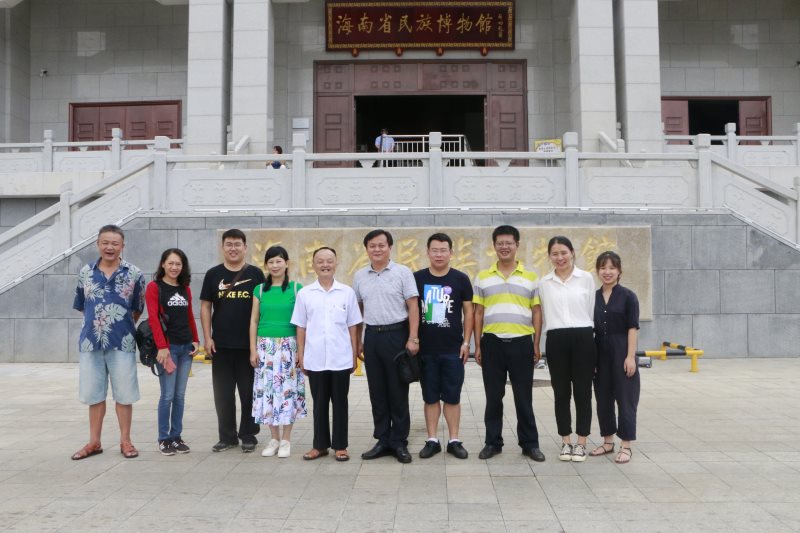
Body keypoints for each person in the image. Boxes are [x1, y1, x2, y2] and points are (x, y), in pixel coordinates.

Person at [71, 224, 146, 461]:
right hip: (90, 343)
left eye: (115, 243)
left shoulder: (134, 273)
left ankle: (126, 441)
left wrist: (118, 325)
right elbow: (83, 306)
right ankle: (94, 442)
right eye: (105, 242)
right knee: (94, 395)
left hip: (122, 342)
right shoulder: (86, 272)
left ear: (122, 246)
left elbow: (137, 308)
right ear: (97, 244)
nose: (109, 247)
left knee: (124, 395)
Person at [473, 225, 545, 462]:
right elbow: (478, 313)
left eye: (509, 243)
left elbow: (536, 312)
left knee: (523, 397)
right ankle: (492, 443)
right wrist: (478, 345)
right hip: (492, 343)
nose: (504, 247)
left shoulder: (531, 277)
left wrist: (536, 344)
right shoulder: (483, 277)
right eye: (500, 243)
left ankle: (530, 444)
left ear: (517, 245)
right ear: (494, 246)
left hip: (521, 343)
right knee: (493, 398)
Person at [353, 229, 420, 464]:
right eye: (372, 246)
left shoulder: (402, 272)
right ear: (366, 249)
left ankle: (399, 441)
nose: (377, 249)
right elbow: (358, 311)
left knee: (397, 390)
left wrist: (413, 337)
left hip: (397, 335)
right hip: (372, 336)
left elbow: (413, 306)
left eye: (381, 245)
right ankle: (382, 439)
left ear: (390, 247)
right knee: (377, 391)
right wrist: (358, 340)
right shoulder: (360, 276)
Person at [291, 247, 362, 462]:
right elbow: (301, 327)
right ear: (313, 265)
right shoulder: (305, 294)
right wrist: (301, 355)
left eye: (329, 261)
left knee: (340, 403)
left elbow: (353, 325)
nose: (325, 265)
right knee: (319, 404)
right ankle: (319, 446)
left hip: (341, 358)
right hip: (315, 359)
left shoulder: (347, 292)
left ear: (336, 263)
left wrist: (353, 354)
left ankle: (340, 446)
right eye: (320, 261)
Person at [200, 229, 265, 453]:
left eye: (238, 244)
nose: (233, 248)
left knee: (249, 393)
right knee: (223, 394)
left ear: (245, 247)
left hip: (248, 346)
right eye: (229, 244)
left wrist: (259, 343)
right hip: (221, 345)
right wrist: (207, 337)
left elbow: (263, 308)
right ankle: (227, 437)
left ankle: (248, 435)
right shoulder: (213, 274)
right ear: (223, 247)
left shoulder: (256, 274)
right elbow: (206, 306)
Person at [414, 233, 474, 459]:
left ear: (451, 252)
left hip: (453, 349)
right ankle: (432, 440)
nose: (439, 254)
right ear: (427, 252)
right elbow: (411, 310)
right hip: (426, 350)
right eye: (435, 250)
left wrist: (466, 342)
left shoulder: (461, 279)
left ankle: (454, 440)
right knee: (430, 397)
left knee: (452, 396)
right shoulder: (417, 278)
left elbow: (469, 312)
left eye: (443, 250)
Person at [538, 236, 597, 463]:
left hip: (583, 337)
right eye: (555, 254)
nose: (560, 257)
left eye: (563, 252)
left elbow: (590, 309)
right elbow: (543, 313)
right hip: (556, 339)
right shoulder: (544, 282)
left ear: (572, 252)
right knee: (561, 393)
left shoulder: (586, 278)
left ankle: (581, 443)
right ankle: (565, 441)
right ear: (549, 256)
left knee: (583, 392)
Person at [249, 245, 306, 458]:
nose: (275, 265)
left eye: (278, 261)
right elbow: (254, 321)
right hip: (264, 347)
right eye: (271, 262)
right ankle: (273, 438)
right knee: (267, 392)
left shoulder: (296, 289)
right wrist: (253, 349)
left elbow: (302, 323)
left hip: (289, 346)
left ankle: (286, 440)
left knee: (287, 392)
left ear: (286, 263)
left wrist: (301, 351)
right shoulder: (259, 290)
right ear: (266, 265)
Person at [145, 248, 200, 456]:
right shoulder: (154, 287)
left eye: (178, 264)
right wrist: (162, 347)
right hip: (168, 350)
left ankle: (176, 436)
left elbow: (189, 316)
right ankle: (164, 438)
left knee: (179, 396)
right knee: (167, 395)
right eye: (171, 263)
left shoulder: (185, 288)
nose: (174, 267)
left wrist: (196, 340)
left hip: (185, 349)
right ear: (163, 264)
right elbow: (153, 319)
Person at [590, 251, 640, 464]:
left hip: (622, 350)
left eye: (612, 267)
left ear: (619, 271)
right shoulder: (593, 297)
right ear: (597, 271)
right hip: (599, 351)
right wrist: (591, 360)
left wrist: (630, 356)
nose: (607, 272)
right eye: (603, 267)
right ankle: (608, 441)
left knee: (625, 399)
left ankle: (626, 445)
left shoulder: (628, 296)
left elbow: (632, 328)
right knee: (603, 399)